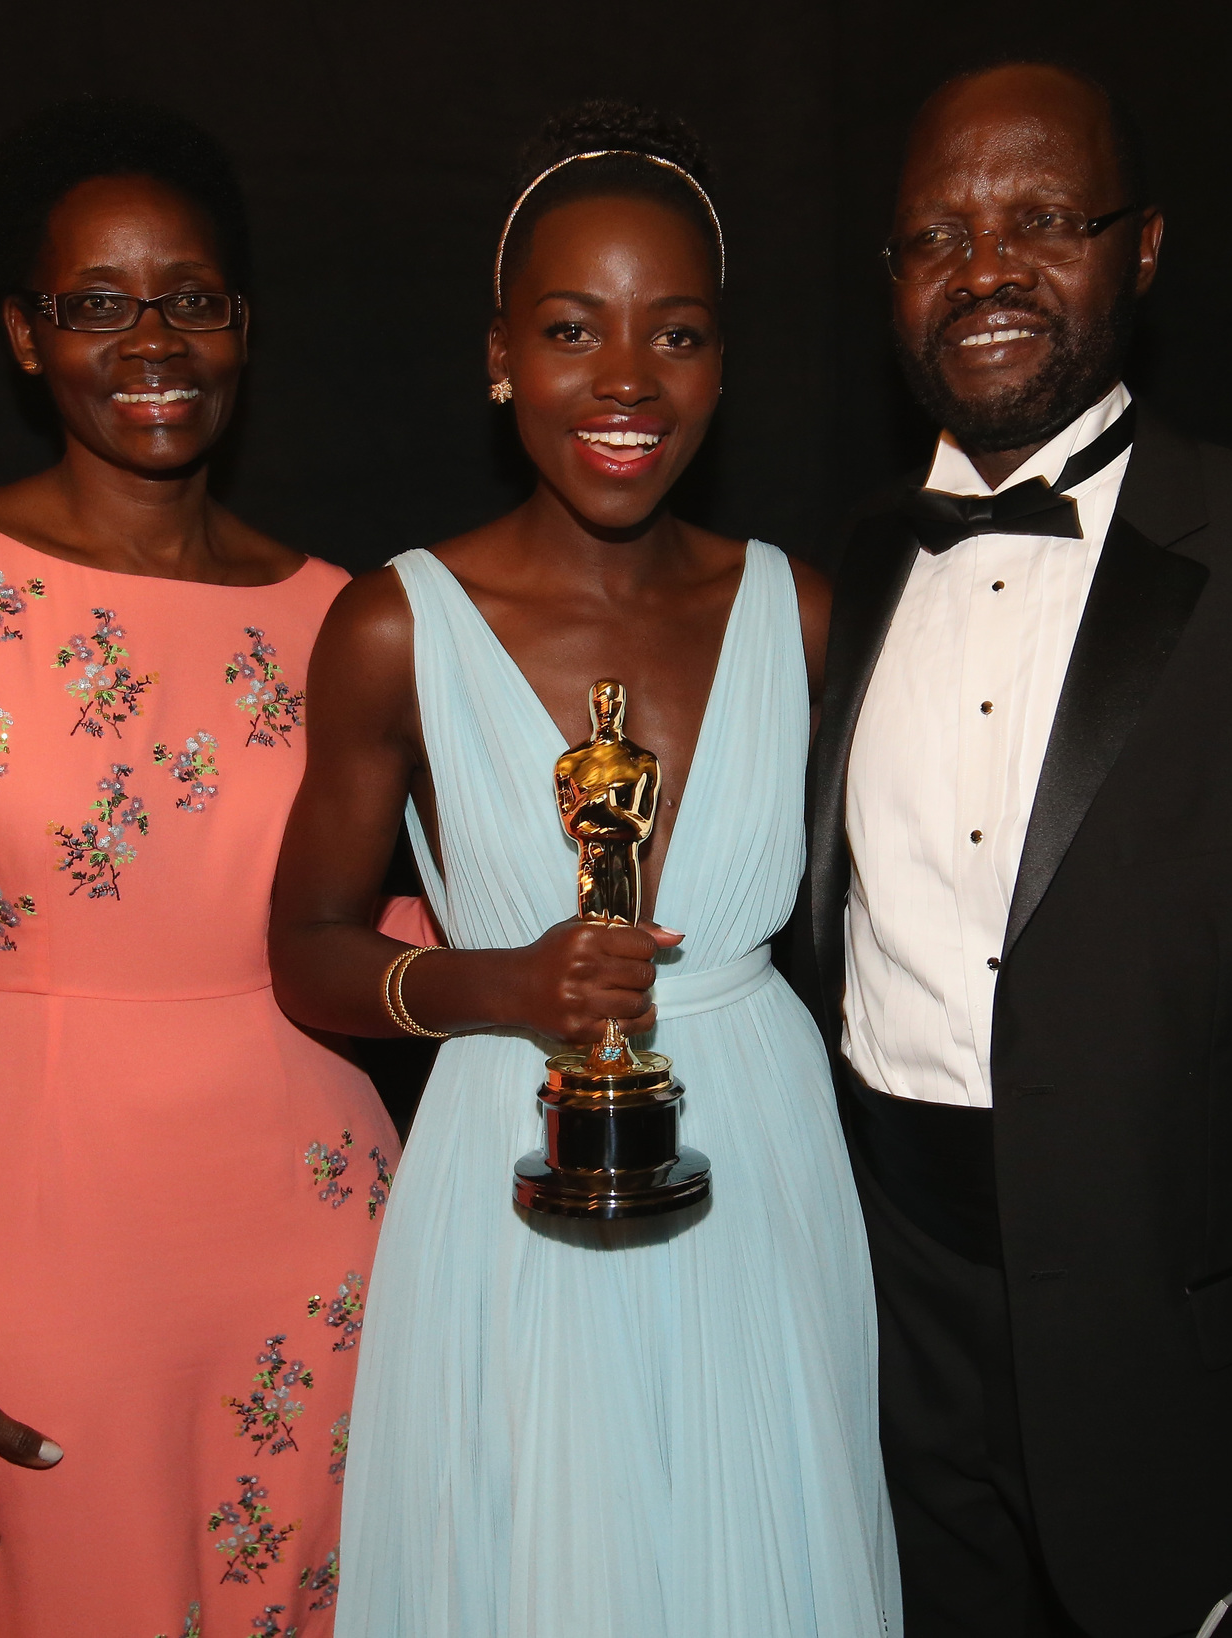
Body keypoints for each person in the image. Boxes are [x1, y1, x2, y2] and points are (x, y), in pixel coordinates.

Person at [800, 60, 1232, 1638]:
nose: (986, 271)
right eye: (937, 236)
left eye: (1044, 218)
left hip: (1189, 1386)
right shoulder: (859, 563)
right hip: (894, 1347)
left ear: (1144, 248)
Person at [269, 103, 901, 1638]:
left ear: (722, 368)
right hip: (507, 1168)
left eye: (674, 334)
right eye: (573, 328)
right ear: (501, 357)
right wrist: (505, 983)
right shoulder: (392, 624)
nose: (626, 379)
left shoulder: (803, 611)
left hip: (759, 1161)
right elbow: (304, 947)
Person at [0, 98, 412, 1637]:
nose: (153, 341)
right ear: (25, 334)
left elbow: (356, 923)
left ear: (245, 326)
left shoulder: (343, 610)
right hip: (32, 1273)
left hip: (319, 1260)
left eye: (192, 300)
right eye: (97, 305)